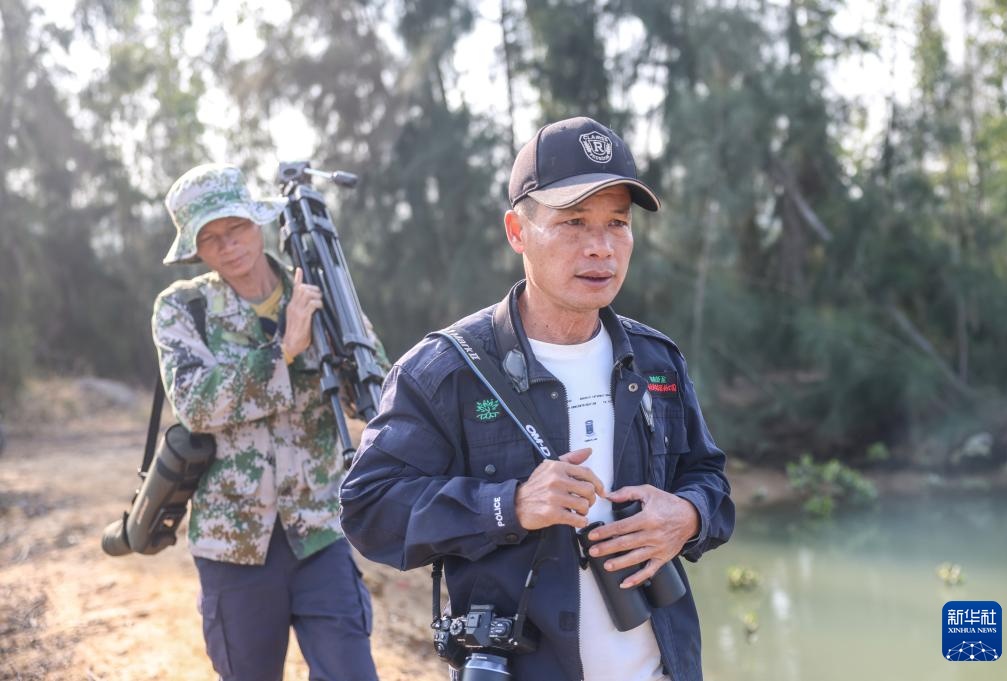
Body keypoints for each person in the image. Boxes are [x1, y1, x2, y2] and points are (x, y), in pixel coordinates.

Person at [339, 117, 735, 680]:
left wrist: (688, 516)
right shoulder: (446, 369)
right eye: (573, 221)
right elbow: (368, 508)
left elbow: (710, 479)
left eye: (617, 224)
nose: (600, 247)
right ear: (517, 231)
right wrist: (511, 504)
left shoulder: (657, 361)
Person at [154, 163, 379, 681]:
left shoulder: (319, 287)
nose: (228, 246)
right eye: (210, 239)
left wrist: (336, 341)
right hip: (233, 546)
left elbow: (370, 391)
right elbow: (197, 404)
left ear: (256, 223)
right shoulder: (183, 309)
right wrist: (283, 352)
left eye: (235, 229)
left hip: (319, 532)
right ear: (196, 249)